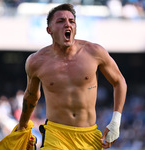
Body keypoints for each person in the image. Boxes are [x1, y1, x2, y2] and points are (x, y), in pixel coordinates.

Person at [17, 3, 127, 150]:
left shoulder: (95, 52)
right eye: (60, 21)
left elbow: (119, 81)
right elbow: (31, 96)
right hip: (56, 135)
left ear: (75, 28)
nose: (67, 24)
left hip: (89, 136)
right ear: (49, 30)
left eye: (71, 21)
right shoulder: (36, 61)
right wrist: (22, 126)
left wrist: (115, 121)